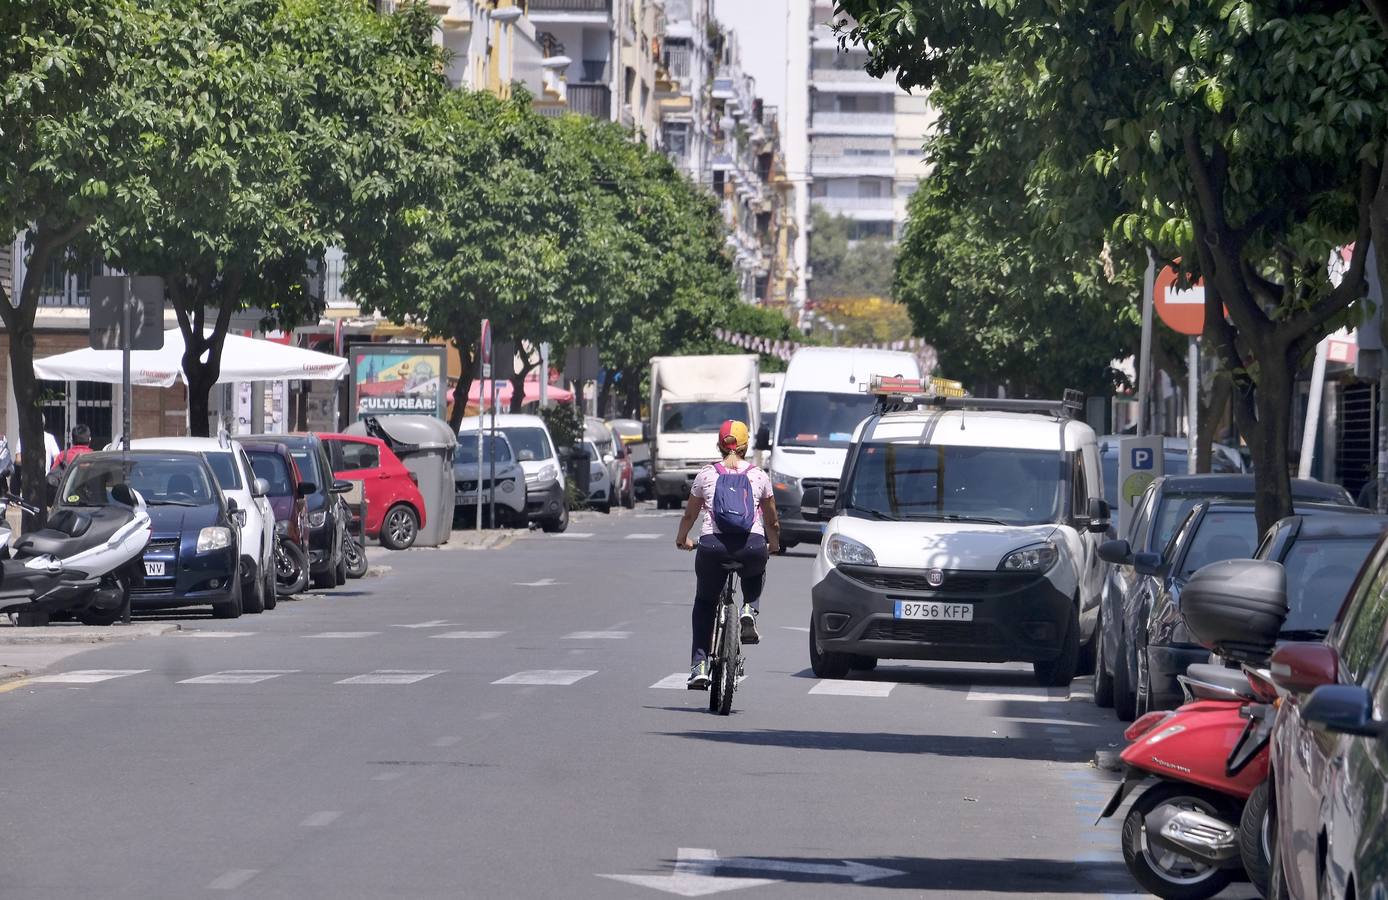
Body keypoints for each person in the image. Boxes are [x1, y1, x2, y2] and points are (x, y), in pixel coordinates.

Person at [674, 419, 780, 689]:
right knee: (758, 564)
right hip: (751, 546)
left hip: (712, 547)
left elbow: (690, 514)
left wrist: (682, 538)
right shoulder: (759, 476)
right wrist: (774, 544)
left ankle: (699, 665)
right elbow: (772, 521)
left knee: (704, 602)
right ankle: (748, 609)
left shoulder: (706, 474)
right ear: (746, 446)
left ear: (720, 446)